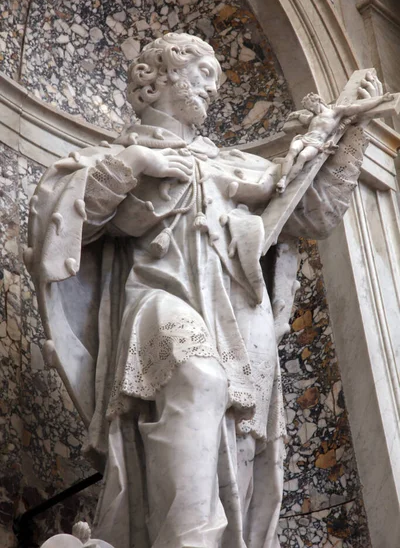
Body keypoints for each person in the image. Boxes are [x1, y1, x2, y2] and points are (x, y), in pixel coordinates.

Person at [27, 33, 373, 548]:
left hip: (235, 319)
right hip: (154, 301)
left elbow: (313, 213)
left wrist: (345, 136)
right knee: (196, 374)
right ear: (160, 77)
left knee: (228, 432)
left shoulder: (235, 165)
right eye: (204, 74)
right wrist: (136, 165)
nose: (213, 90)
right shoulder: (112, 157)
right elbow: (59, 226)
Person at [276, 85, 393, 192]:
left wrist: (380, 99)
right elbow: (303, 119)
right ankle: (283, 178)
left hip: (316, 143)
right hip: (304, 138)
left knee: (302, 157)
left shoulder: (336, 112)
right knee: (292, 151)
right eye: (308, 109)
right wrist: (296, 115)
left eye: (310, 106)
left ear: (317, 101)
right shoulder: (312, 117)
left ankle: (286, 183)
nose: (311, 110)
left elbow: (360, 107)